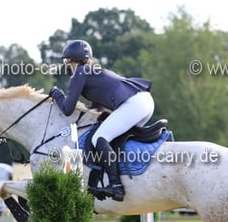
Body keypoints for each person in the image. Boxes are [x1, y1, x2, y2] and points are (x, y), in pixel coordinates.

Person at [49, 39, 154, 202]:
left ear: (74, 61)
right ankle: (127, 179)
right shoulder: (93, 71)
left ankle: (116, 186)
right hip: (144, 102)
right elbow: (96, 108)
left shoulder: (80, 72)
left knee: (99, 137)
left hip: (134, 104)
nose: (67, 66)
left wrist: (57, 94)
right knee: (114, 139)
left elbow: (67, 109)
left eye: (68, 61)